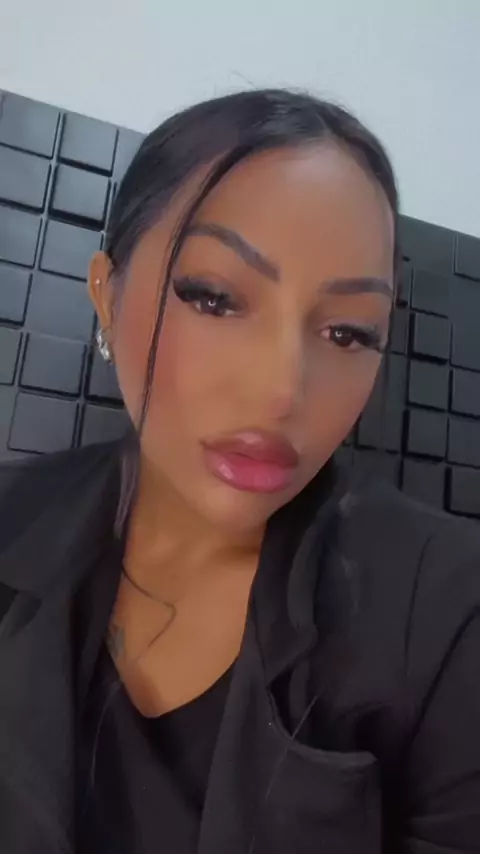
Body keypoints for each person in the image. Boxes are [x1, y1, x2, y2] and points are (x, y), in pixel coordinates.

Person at [0, 89, 479, 854]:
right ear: (106, 293)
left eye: (348, 333)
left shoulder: (449, 611)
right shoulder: (13, 519)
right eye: (215, 298)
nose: (282, 390)